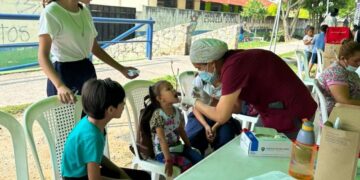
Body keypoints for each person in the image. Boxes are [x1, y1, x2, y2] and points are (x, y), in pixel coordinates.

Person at [182, 38, 317, 139]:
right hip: (273, 109)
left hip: (293, 112)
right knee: (256, 143)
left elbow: (221, 116)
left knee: (278, 159)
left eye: (199, 68)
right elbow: (236, 107)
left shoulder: (233, 68)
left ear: (211, 63)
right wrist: (208, 101)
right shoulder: (232, 61)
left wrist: (195, 102)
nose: (200, 73)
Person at [39, 0, 139, 104]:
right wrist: (59, 85)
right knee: (68, 119)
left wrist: (122, 69)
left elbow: (95, 48)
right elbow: (43, 56)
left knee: (89, 116)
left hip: (86, 70)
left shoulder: (85, 11)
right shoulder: (51, 12)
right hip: (62, 73)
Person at [61, 78, 150, 180]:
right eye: (122, 102)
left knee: (143, 176)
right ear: (111, 109)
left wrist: (120, 172)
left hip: (83, 172)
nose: (124, 104)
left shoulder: (90, 122)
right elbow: (94, 178)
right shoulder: (93, 136)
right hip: (77, 178)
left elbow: (97, 156)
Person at [149, 80, 203, 177]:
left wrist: (189, 147)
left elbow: (181, 130)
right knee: (187, 164)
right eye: (168, 89)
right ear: (160, 98)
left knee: (199, 158)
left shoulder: (176, 111)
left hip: (178, 148)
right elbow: (161, 139)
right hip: (163, 153)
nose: (173, 90)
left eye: (172, 87)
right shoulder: (158, 115)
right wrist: (168, 160)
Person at [185, 73, 241, 155]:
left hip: (223, 118)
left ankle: (219, 161)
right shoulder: (199, 80)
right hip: (200, 117)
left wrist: (215, 127)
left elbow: (235, 109)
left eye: (201, 66)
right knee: (192, 138)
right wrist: (206, 126)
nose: (201, 70)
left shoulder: (231, 81)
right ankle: (197, 160)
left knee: (225, 141)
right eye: (198, 67)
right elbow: (195, 107)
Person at [317, 39, 360, 115]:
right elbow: (344, 101)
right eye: (356, 61)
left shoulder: (347, 70)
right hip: (338, 115)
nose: (358, 64)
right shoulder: (335, 73)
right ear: (343, 59)